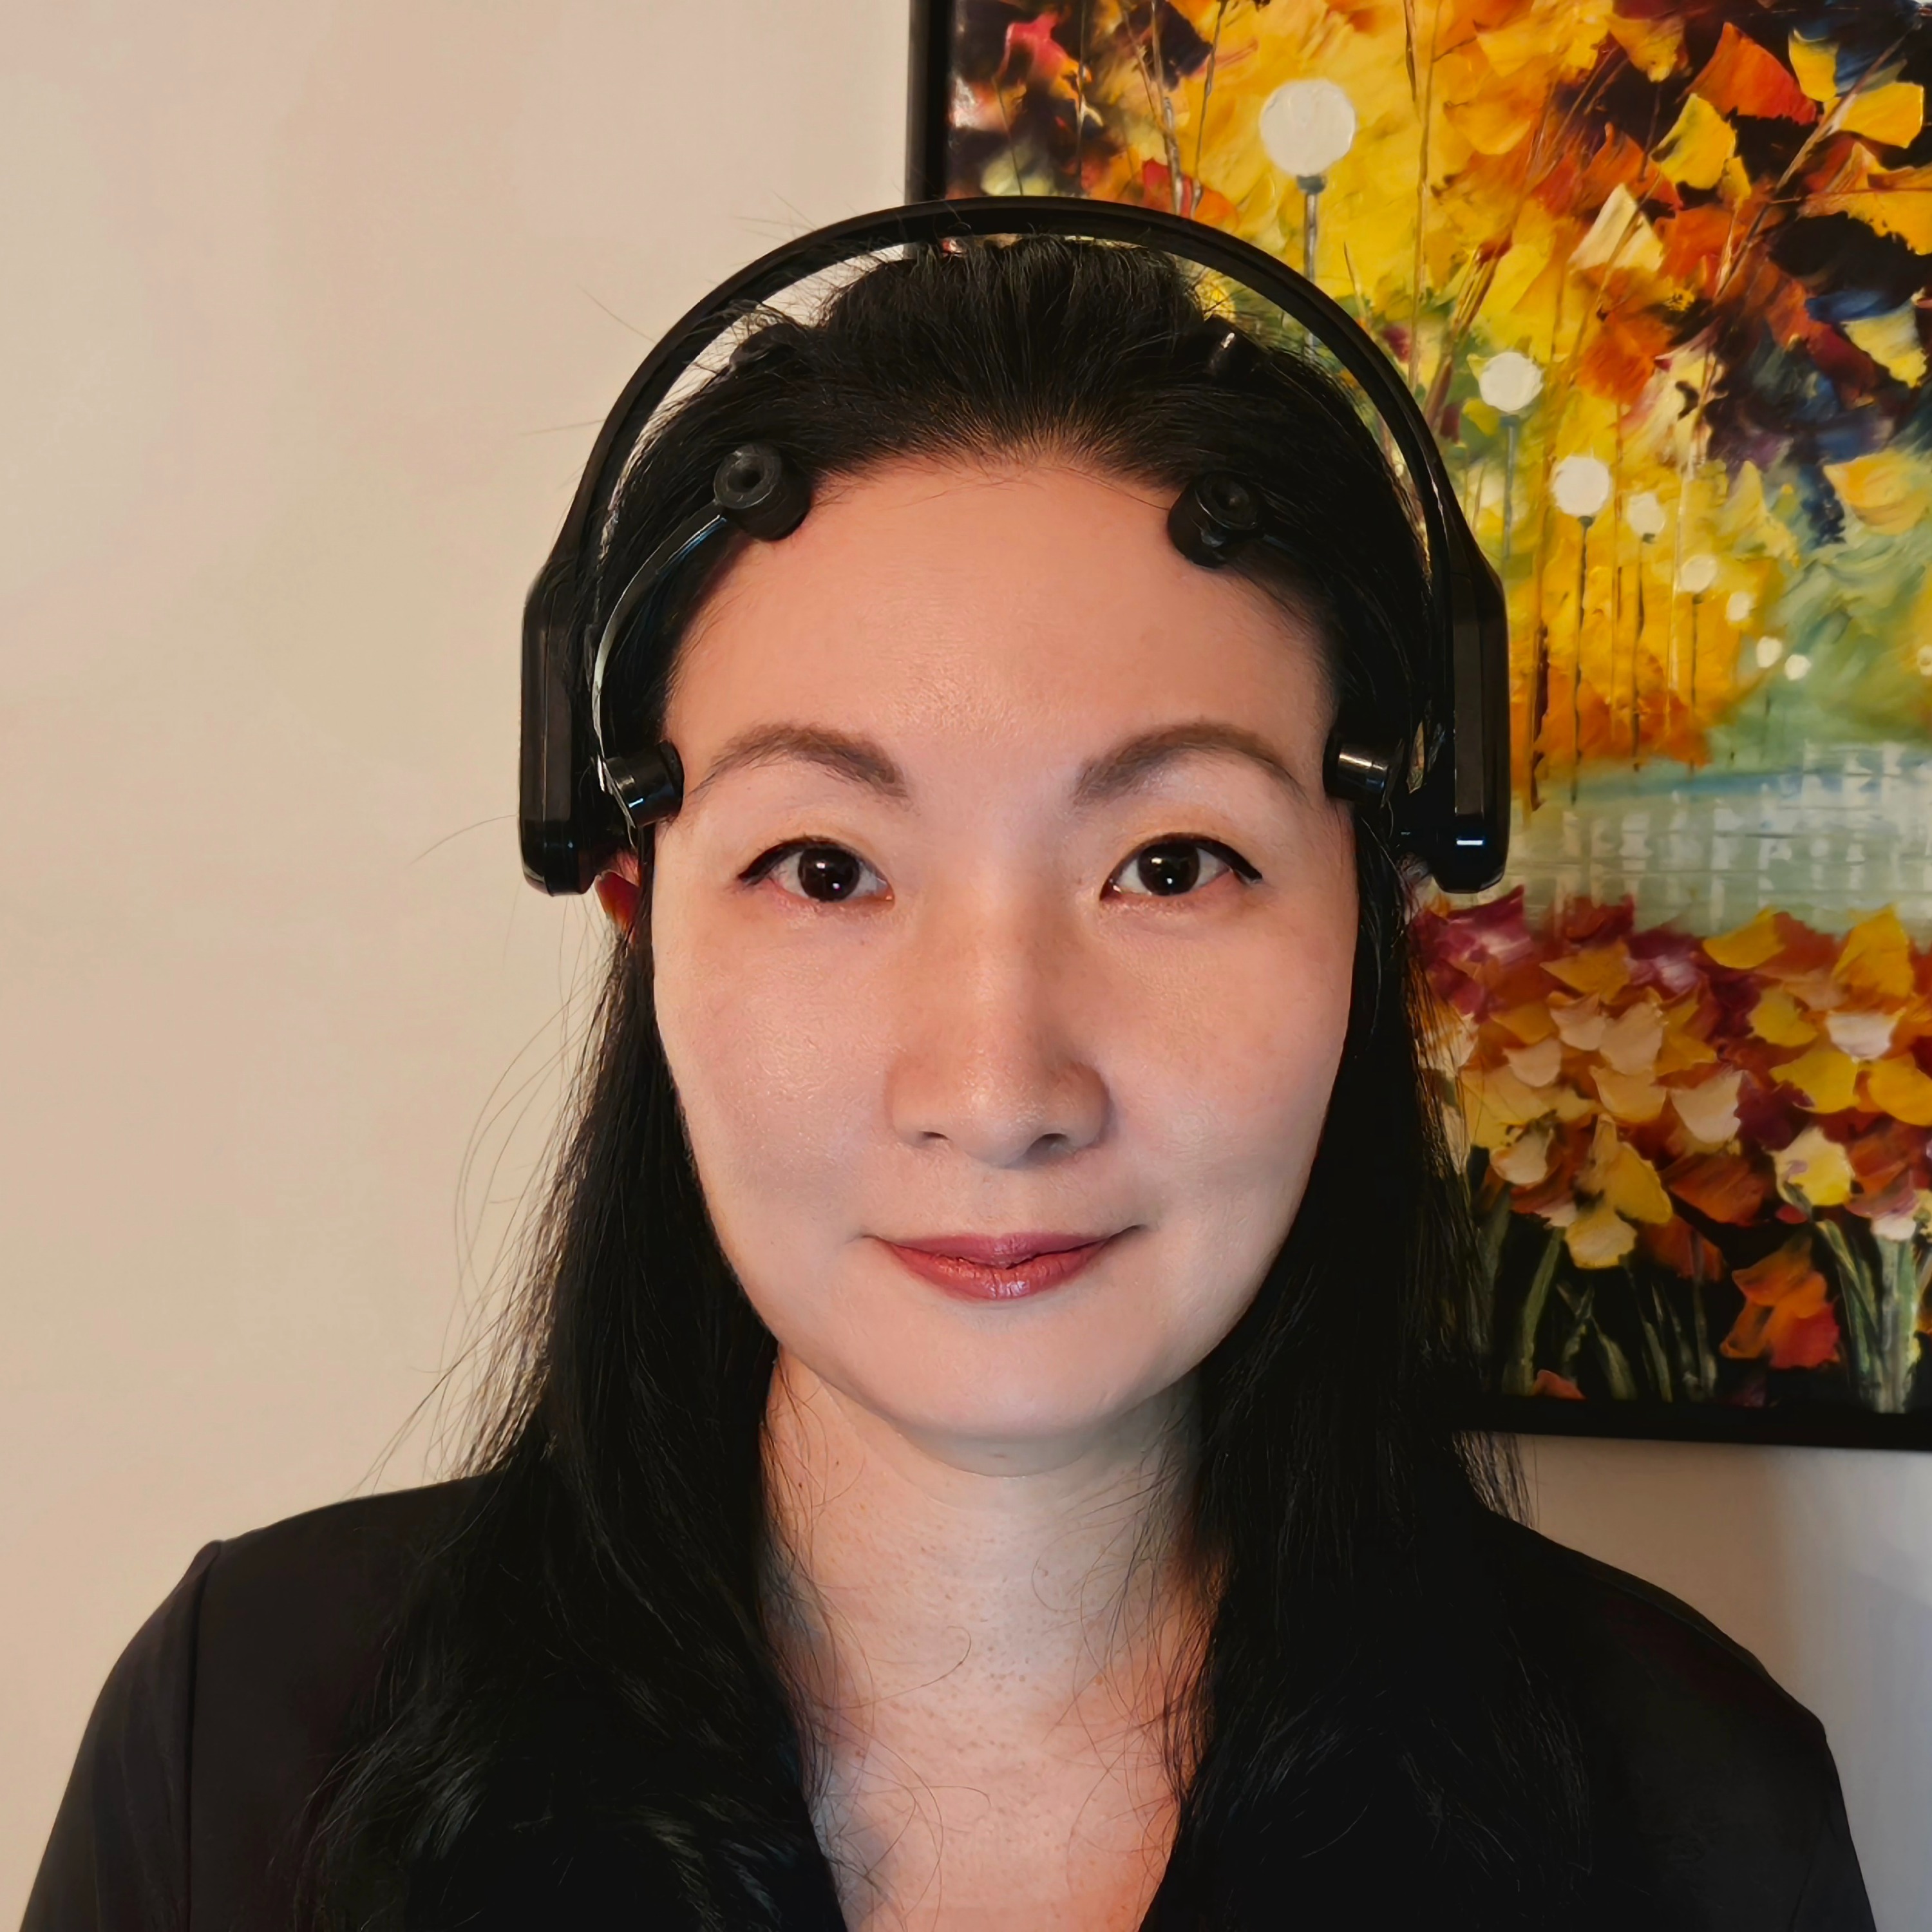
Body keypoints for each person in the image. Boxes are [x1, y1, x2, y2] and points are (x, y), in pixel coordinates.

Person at [25, 229, 1871, 1932]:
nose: (998, 1090)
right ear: (638, 906)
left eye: (1170, 864)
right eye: (827, 869)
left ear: (1380, 907)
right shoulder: (246, 1746)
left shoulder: (1684, 1804)